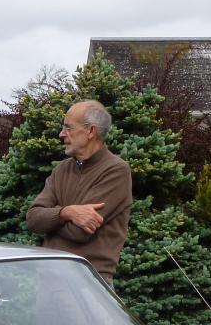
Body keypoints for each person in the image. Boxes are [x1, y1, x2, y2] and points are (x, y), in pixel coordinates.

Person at [25, 100, 133, 284]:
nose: (61, 134)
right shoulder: (61, 170)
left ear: (91, 131)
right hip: (49, 279)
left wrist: (51, 219)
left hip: (88, 283)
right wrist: (66, 212)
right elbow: (33, 219)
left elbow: (79, 232)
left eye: (68, 128)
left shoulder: (116, 171)